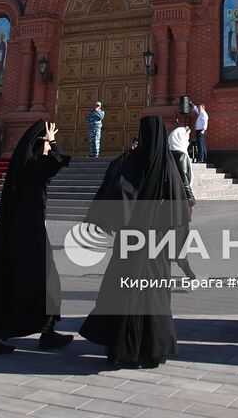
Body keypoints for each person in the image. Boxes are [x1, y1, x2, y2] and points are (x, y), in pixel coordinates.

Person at [80, 116, 189, 368]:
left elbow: (119, 193)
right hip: (158, 244)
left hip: (132, 240)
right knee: (154, 295)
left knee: (124, 292)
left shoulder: (132, 161)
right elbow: (180, 211)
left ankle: (122, 347)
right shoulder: (170, 166)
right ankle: (153, 349)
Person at [0, 120, 72, 357]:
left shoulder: (21, 167)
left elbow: (48, 162)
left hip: (12, 233)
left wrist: (44, 144)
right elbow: (59, 160)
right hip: (29, 235)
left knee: (8, 284)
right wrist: (51, 141)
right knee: (46, 281)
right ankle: (46, 333)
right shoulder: (35, 169)